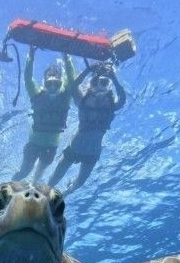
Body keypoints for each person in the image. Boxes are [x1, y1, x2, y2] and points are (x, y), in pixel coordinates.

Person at [47, 63, 126, 195]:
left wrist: (114, 78)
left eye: (105, 82)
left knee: (80, 182)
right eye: (98, 82)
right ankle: (43, 195)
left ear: (109, 85)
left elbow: (123, 100)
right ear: (92, 84)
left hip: (92, 152)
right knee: (55, 178)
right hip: (76, 147)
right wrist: (87, 70)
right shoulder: (83, 100)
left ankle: (64, 194)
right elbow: (73, 87)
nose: (101, 85)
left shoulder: (111, 104)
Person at [12, 45, 76, 182]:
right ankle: (7, 191)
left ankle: (32, 196)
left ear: (61, 84)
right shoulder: (36, 95)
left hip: (51, 147)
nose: (52, 88)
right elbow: (28, 78)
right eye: (49, 84)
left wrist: (67, 58)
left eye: (56, 84)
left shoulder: (65, 97)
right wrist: (31, 56)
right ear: (44, 83)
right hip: (34, 143)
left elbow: (71, 80)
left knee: (37, 176)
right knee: (24, 172)